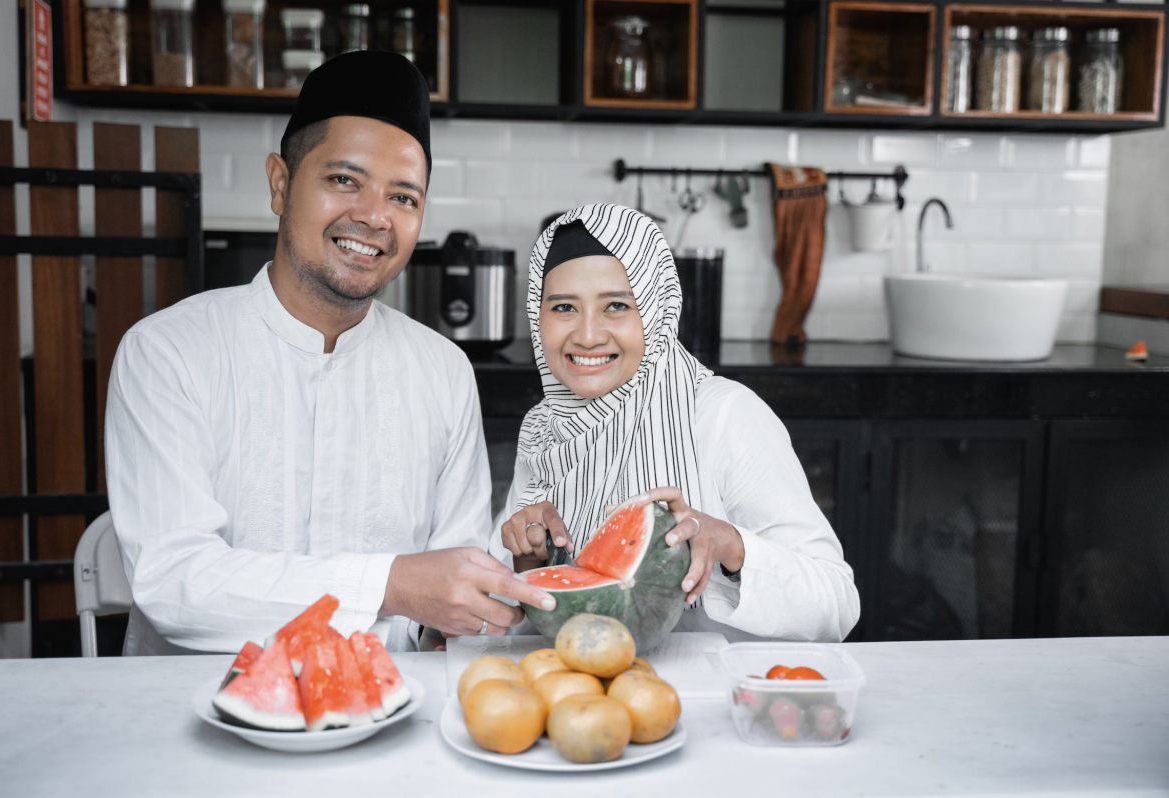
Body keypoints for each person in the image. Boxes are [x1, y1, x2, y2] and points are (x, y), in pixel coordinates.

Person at [105, 51, 554, 656]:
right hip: (197, 721)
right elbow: (177, 584)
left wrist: (520, 571)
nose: (373, 217)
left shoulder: (443, 371)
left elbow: (455, 597)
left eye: (404, 198)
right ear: (281, 184)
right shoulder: (167, 354)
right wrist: (390, 585)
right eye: (345, 180)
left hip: (392, 720)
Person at [497, 204, 859, 642]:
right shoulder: (543, 428)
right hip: (586, 699)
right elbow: (513, 605)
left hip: (714, 699)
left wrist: (729, 544)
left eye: (615, 305)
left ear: (657, 311)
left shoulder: (724, 415)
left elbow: (837, 604)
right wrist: (529, 564)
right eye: (563, 308)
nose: (587, 334)